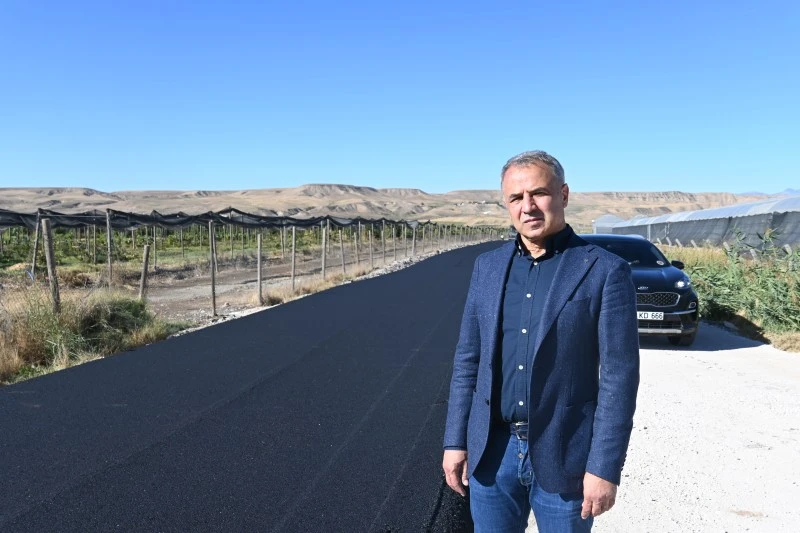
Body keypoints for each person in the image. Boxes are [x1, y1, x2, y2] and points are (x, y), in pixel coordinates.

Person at [442, 150, 640, 532]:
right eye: (516, 198)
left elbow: (620, 376)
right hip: (493, 454)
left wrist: (604, 467)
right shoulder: (487, 268)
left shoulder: (603, 270)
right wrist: (455, 441)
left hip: (566, 455)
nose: (528, 206)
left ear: (563, 194)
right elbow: (468, 360)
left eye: (539, 193)